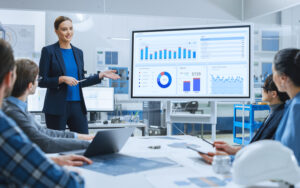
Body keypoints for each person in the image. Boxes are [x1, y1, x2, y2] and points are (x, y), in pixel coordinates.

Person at [0, 39, 93, 187]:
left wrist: (83, 138)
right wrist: (89, 146)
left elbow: (44, 133)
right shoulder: (7, 121)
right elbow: (68, 183)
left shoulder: (17, 110)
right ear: (10, 78)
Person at [39, 16, 120, 134]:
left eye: (71, 28)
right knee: (56, 144)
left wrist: (100, 76)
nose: (69, 32)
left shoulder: (78, 52)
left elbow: (81, 81)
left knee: (84, 141)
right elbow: (42, 81)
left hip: (77, 106)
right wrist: (61, 79)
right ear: (56, 31)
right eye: (64, 29)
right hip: (56, 107)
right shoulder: (48, 51)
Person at [3, 58, 94, 153]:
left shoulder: (18, 108)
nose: (38, 82)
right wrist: (88, 145)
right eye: (38, 79)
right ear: (30, 86)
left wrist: (81, 137)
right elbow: (45, 143)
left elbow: (44, 132)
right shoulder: (13, 112)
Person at [199, 74, 289, 164]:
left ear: (273, 94)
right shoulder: (275, 112)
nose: (262, 90)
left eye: (263, 87)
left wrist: (228, 159)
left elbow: (264, 155)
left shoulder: (281, 117)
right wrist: (235, 150)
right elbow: (257, 147)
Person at [272, 48, 300, 165]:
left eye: (273, 72)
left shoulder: (297, 108)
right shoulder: (293, 103)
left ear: (283, 78)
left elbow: (290, 160)